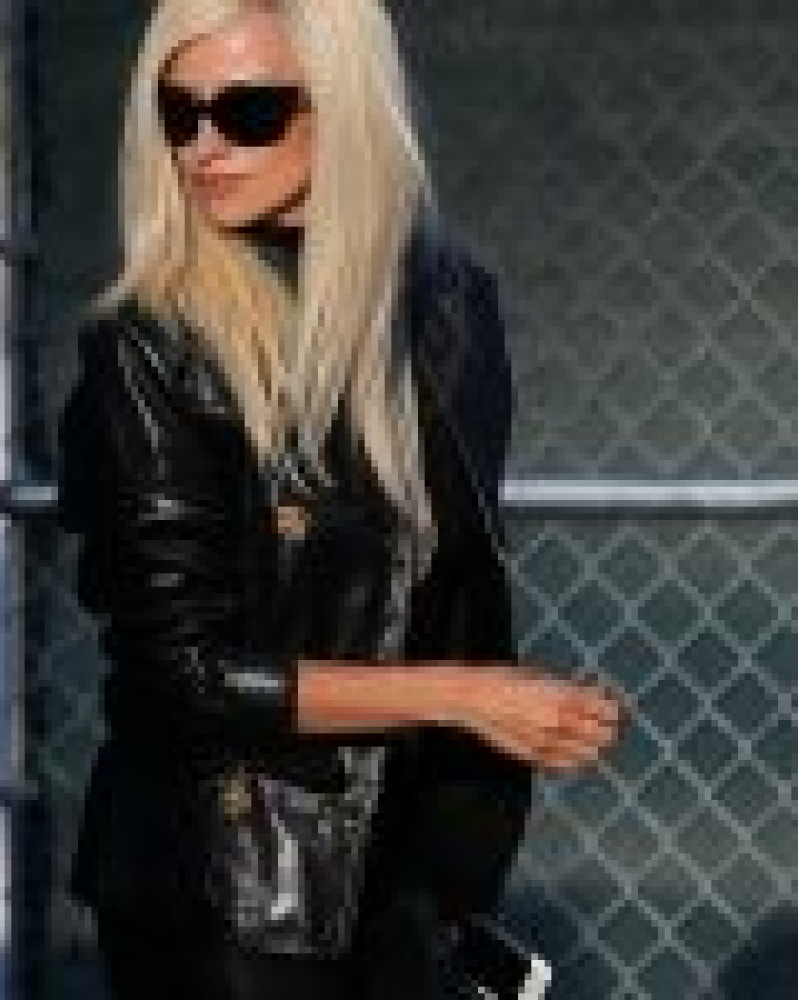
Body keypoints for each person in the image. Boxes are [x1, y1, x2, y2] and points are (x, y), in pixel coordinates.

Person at [56, 2, 625, 997]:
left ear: (346, 109)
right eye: (178, 113)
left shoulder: (448, 308)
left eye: (249, 113)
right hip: (234, 886)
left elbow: (437, 587)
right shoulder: (154, 343)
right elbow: (182, 673)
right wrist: (465, 698)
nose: (203, 147)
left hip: (410, 874)